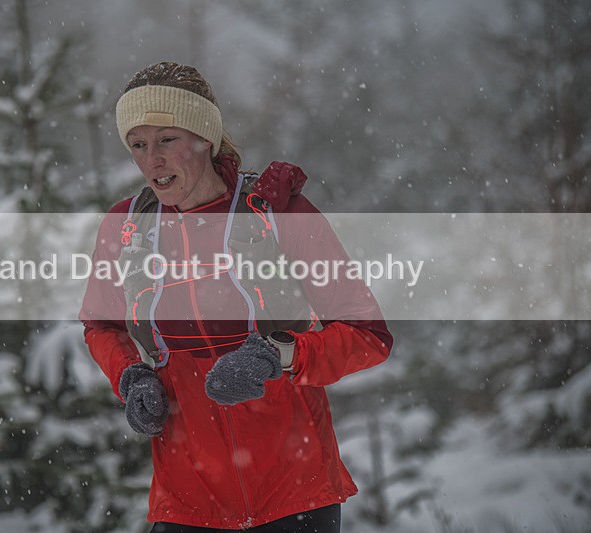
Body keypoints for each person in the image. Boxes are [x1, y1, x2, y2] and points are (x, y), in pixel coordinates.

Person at [79, 61, 392, 533]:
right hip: (187, 500)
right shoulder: (127, 227)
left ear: (205, 137)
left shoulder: (274, 212)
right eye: (138, 145)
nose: (152, 161)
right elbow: (100, 325)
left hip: (294, 491)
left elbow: (368, 335)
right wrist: (131, 376)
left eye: (167, 140)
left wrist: (277, 357)